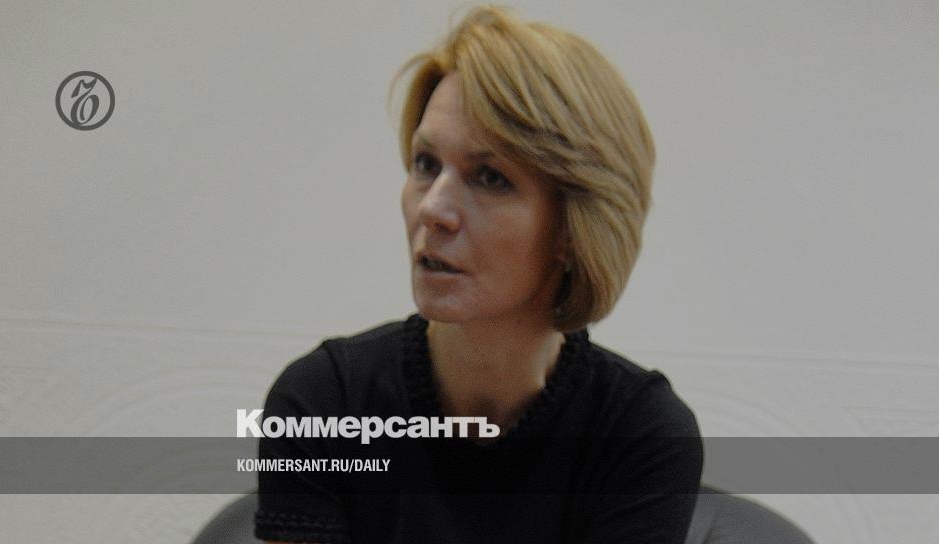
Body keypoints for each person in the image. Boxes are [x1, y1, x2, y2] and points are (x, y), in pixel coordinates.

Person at [256, 6, 702, 543]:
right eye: (426, 164)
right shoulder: (324, 403)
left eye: (489, 177)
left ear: (573, 227)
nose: (433, 209)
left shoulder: (640, 436)